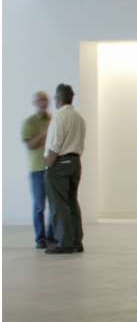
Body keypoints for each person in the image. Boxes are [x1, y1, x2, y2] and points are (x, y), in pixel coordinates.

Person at [42, 82, 86, 254]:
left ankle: (64, 242)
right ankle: (76, 241)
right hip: (75, 163)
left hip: (59, 164)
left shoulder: (59, 117)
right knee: (72, 202)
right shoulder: (79, 118)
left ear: (58, 99)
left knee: (58, 205)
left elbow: (54, 145)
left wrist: (48, 164)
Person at [21, 89, 51, 248]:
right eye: (40, 100)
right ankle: (40, 239)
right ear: (35, 103)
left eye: (45, 99)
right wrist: (43, 134)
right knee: (39, 206)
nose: (43, 102)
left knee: (54, 205)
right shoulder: (29, 123)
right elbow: (30, 145)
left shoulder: (54, 120)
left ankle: (52, 237)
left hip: (52, 168)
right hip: (37, 170)